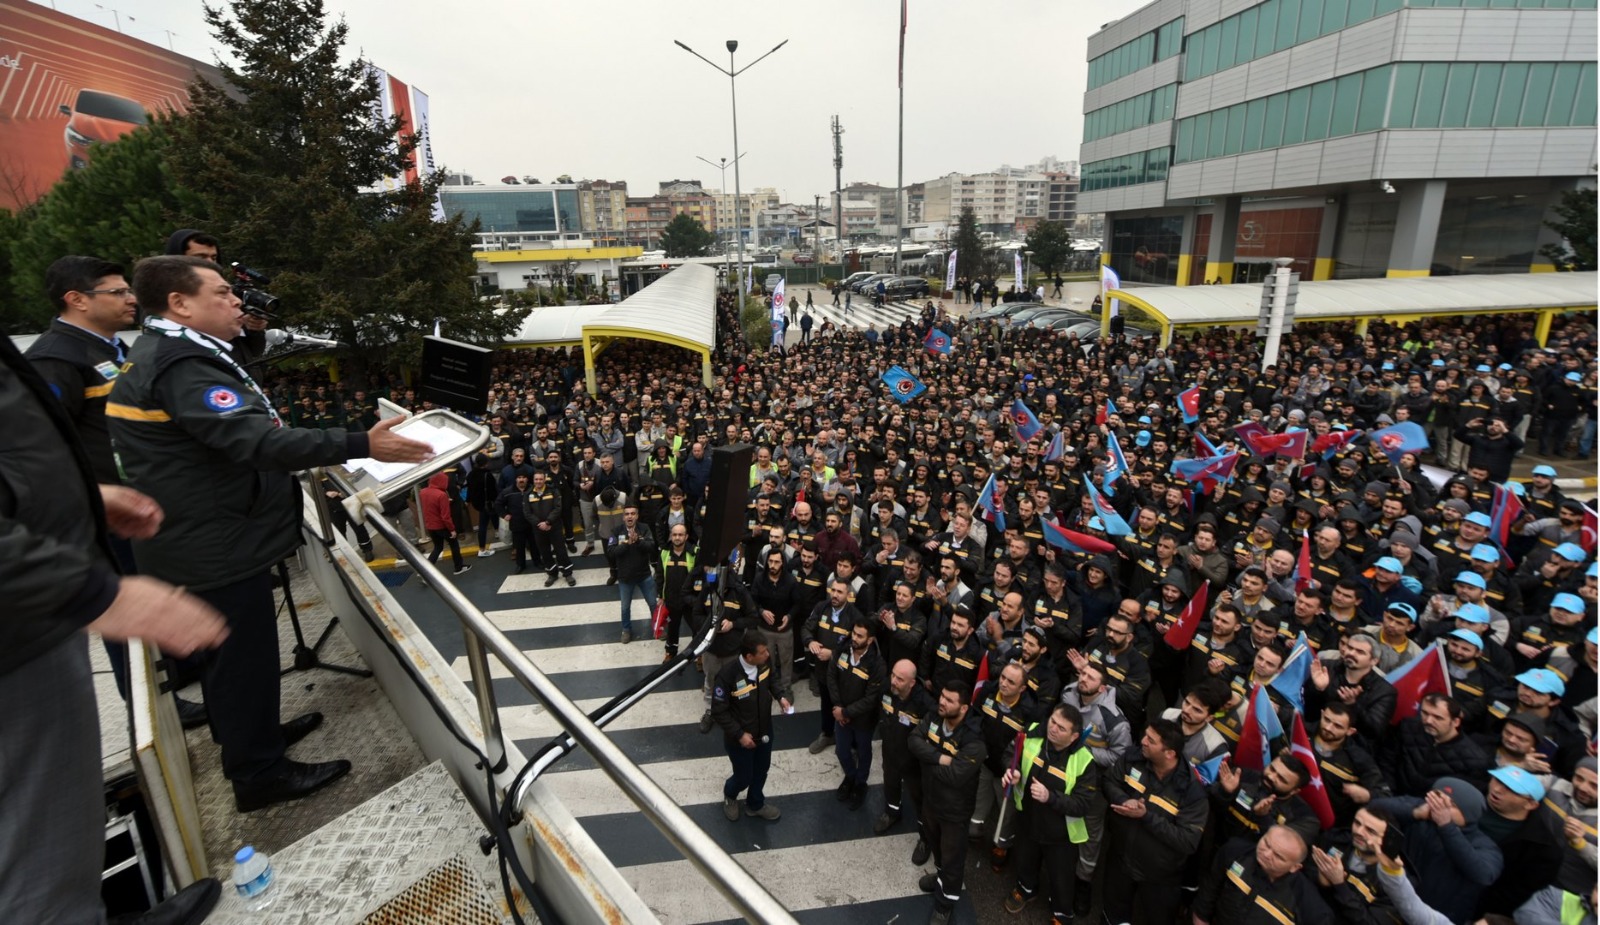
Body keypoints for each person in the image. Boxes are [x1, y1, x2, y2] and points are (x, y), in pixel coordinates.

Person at [106, 255, 432, 813]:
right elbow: (257, 442)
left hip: (203, 533)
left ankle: (251, 739)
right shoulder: (181, 365)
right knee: (243, 659)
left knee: (235, 661)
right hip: (213, 544)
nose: (238, 302)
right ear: (180, 304)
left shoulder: (168, 350)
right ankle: (258, 773)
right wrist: (361, 443)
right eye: (223, 293)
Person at [1, 326, 230, 925]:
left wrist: (81, 498)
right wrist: (91, 590)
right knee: (31, 843)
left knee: (47, 828)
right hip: (19, 621)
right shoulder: (63, 355)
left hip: (30, 605)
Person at [1099, 718, 1210, 925]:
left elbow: (1188, 841)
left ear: (1169, 753)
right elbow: (1109, 781)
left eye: (1151, 740)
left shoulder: (1191, 792)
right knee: (1113, 916)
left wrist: (1146, 816)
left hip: (1160, 876)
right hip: (1120, 860)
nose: (1143, 741)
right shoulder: (1132, 758)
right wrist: (1123, 800)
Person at [999, 702, 1101, 923]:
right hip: (1028, 819)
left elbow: (1083, 804)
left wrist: (1050, 797)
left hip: (1061, 834)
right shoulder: (1034, 733)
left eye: (1061, 728)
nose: (1053, 728)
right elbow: (1010, 753)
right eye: (1052, 721)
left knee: (1061, 877)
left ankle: (1062, 912)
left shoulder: (1084, 761)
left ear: (1074, 736)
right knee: (1025, 859)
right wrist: (1012, 769)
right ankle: (1026, 889)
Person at [907, 680, 987, 925]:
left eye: (949, 700)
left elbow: (955, 776)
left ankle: (945, 904)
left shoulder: (974, 742)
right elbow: (913, 740)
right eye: (942, 696)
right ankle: (941, 879)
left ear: (963, 708)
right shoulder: (933, 716)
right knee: (938, 850)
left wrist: (926, 758)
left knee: (953, 860)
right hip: (931, 801)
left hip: (954, 812)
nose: (942, 701)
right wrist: (939, 758)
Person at [709, 634, 791, 822]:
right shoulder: (727, 676)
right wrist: (739, 735)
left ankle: (755, 804)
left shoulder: (764, 664)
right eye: (763, 652)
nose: (768, 655)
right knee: (744, 776)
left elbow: (773, 680)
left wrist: (781, 697)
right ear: (749, 657)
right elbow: (719, 711)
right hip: (740, 740)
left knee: (762, 769)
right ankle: (730, 795)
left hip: (764, 732)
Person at [826, 618, 886, 810]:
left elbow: (872, 698)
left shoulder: (877, 663)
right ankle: (850, 776)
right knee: (841, 751)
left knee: (863, 751)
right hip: (840, 714)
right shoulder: (842, 649)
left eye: (860, 636)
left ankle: (860, 784)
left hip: (863, 720)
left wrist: (846, 711)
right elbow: (831, 677)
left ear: (870, 640)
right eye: (854, 633)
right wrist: (838, 708)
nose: (855, 638)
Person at [606, 503, 657, 644]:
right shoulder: (616, 531)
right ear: (623, 517)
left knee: (653, 603)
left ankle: (658, 626)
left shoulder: (644, 529)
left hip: (644, 575)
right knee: (625, 607)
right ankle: (626, 630)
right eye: (627, 514)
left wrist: (638, 542)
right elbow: (611, 553)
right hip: (625, 577)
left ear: (637, 516)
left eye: (633, 513)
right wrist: (626, 544)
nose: (630, 516)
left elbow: (651, 547)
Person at [524, 468, 576, 587]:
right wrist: (539, 524)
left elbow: (558, 508)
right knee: (545, 552)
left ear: (544, 480)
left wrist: (547, 522)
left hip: (554, 527)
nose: (538, 481)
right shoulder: (528, 494)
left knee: (561, 551)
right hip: (538, 529)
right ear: (533, 480)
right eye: (536, 479)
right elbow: (527, 513)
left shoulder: (553, 491)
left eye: (541, 479)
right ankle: (552, 574)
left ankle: (567, 573)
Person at [421, 472, 471, 576]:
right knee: (454, 544)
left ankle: (425, 571)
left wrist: (444, 500)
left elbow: (431, 503)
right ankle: (459, 567)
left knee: (438, 547)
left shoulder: (423, 492)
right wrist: (452, 529)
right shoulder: (442, 495)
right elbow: (445, 516)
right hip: (442, 526)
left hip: (430, 526)